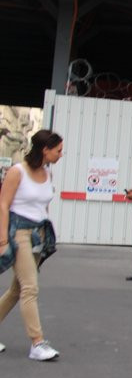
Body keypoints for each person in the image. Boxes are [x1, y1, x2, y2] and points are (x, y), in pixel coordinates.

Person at [0, 130, 63, 361]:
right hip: (18, 232)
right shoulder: (18, 171)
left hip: (38, 234)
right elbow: (3, 205)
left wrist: (45, 235)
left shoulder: (47, 174)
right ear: (45, 150)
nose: (61, 154)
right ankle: (37, 343)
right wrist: (3, 240)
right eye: (58, 150)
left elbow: (43, 207)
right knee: (30, 288)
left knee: (17, 289)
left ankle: (37, 344)